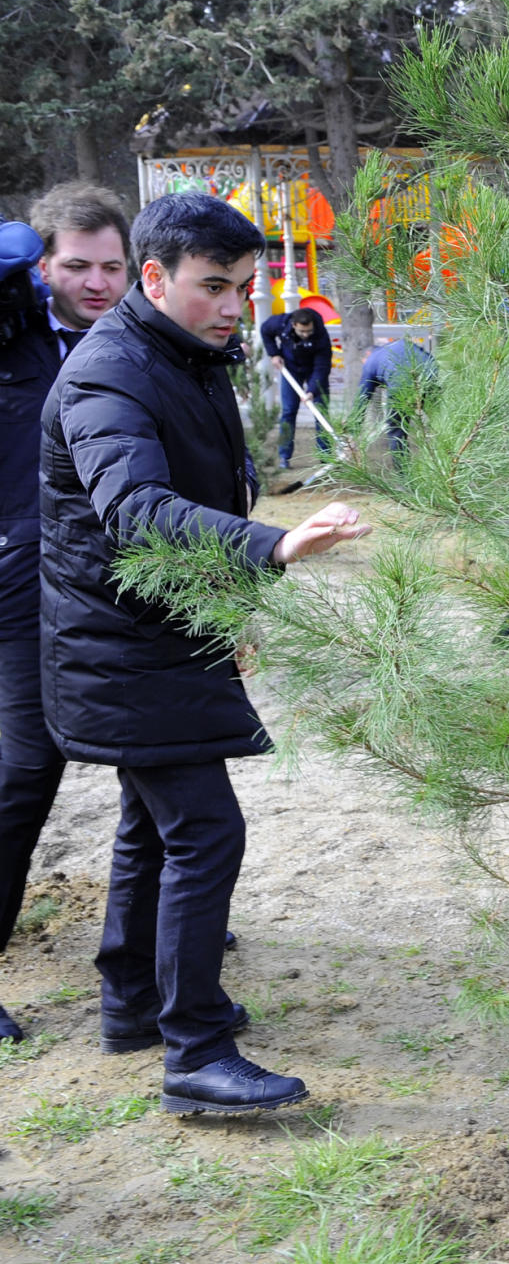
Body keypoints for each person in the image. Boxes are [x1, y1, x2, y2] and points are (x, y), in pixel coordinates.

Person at [41, 192, 369, 1109]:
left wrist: (234, 613)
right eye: (213, 285)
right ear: (154, 277)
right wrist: (272, 545)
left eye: (245, 285)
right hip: (121, 645)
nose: (234, 306)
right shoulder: (110, 372)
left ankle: (135, 1000)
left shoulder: (183, 354)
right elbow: (137, 512)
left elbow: (210, 479)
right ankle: (194, 1051)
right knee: (204, 830)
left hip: (163, 634)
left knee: (152, 826)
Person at [0, 183, 133, 1044]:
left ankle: (152, 941)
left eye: (112, 266)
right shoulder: (11, 339)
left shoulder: (144, 343)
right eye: (75, 265)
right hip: (25, 586)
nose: (95, 282)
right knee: (22, 772)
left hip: (128, 579)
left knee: (155, 767)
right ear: (40, 265)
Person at [260, 306, 333, 468]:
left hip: (314, 370)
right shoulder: (280, 323)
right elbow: (265, 330)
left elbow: (322, 367)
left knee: (321, 411)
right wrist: (274, 353)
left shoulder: (321, 336)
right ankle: (284, 457)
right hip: (290, 369)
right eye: (302, 332)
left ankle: (327, 458)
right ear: (294, 325)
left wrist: (312, 390)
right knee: (288, 412)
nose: (306, 335)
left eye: (309, 331)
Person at [355, 336, 435, 456]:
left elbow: (362, 397)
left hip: (400, 385)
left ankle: (404, 473)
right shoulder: (399, 346)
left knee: (396, 432)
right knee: (442, 422)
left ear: (367, 354)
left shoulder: (371, 360)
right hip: (431, 375)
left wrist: (352, 429)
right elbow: (428, 357)